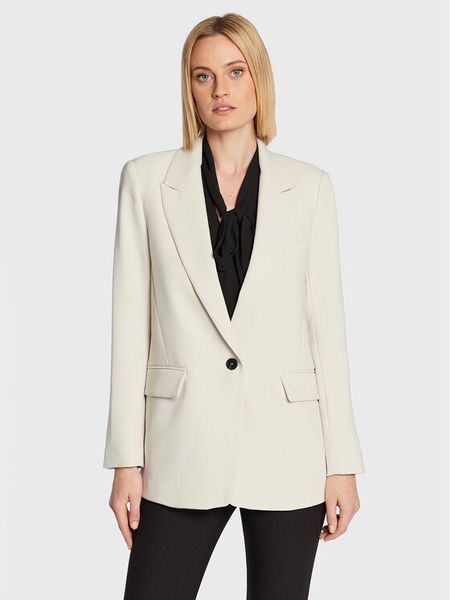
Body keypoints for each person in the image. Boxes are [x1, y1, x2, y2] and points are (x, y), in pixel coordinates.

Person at [102, 12, 366, 600]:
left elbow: (328, 331)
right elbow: (129, 327)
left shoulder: (310, 187)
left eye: (236, 71)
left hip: (288, 447)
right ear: (189, 87)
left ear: (258, 79)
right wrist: (125, 458)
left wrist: (342, 463)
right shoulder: (145, 181)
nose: (220, 89)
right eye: (203, 75)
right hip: (179, 447)